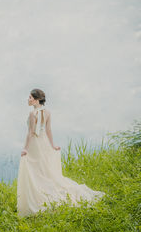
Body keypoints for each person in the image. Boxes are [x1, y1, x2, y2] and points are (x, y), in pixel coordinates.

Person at [17, 88, 105, 217]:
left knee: (36, 171)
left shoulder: (32, 114)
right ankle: (44, 197)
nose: (28, 99)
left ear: (36, 100)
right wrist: (52, 145)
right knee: (44, 171)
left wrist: (25, 148)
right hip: (44, 143)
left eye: (30, 97)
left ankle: (38, 200)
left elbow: (31, 133)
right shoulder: (47, 113)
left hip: (35, 144)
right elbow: (48, 131)